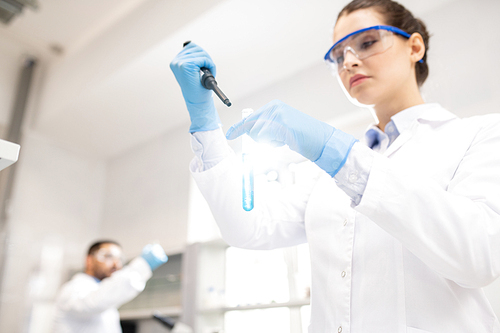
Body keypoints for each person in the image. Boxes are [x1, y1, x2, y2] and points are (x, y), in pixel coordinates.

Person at [170, 0, 500, 331]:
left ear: (414, 47)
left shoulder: (480, 135)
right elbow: (249, 227)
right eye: (339, 55)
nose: (350, 61)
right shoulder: (328, 174)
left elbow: (479, 256)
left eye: (367, 42)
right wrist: (205, 123)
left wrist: (335, 150)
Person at [53, 240, 168, 333]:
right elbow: (95, 301)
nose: (116, 264)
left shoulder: (103, 292)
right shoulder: (72, 289)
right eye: (108, 256)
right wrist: (142, 265)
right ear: (89, 260)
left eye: (119, 259)